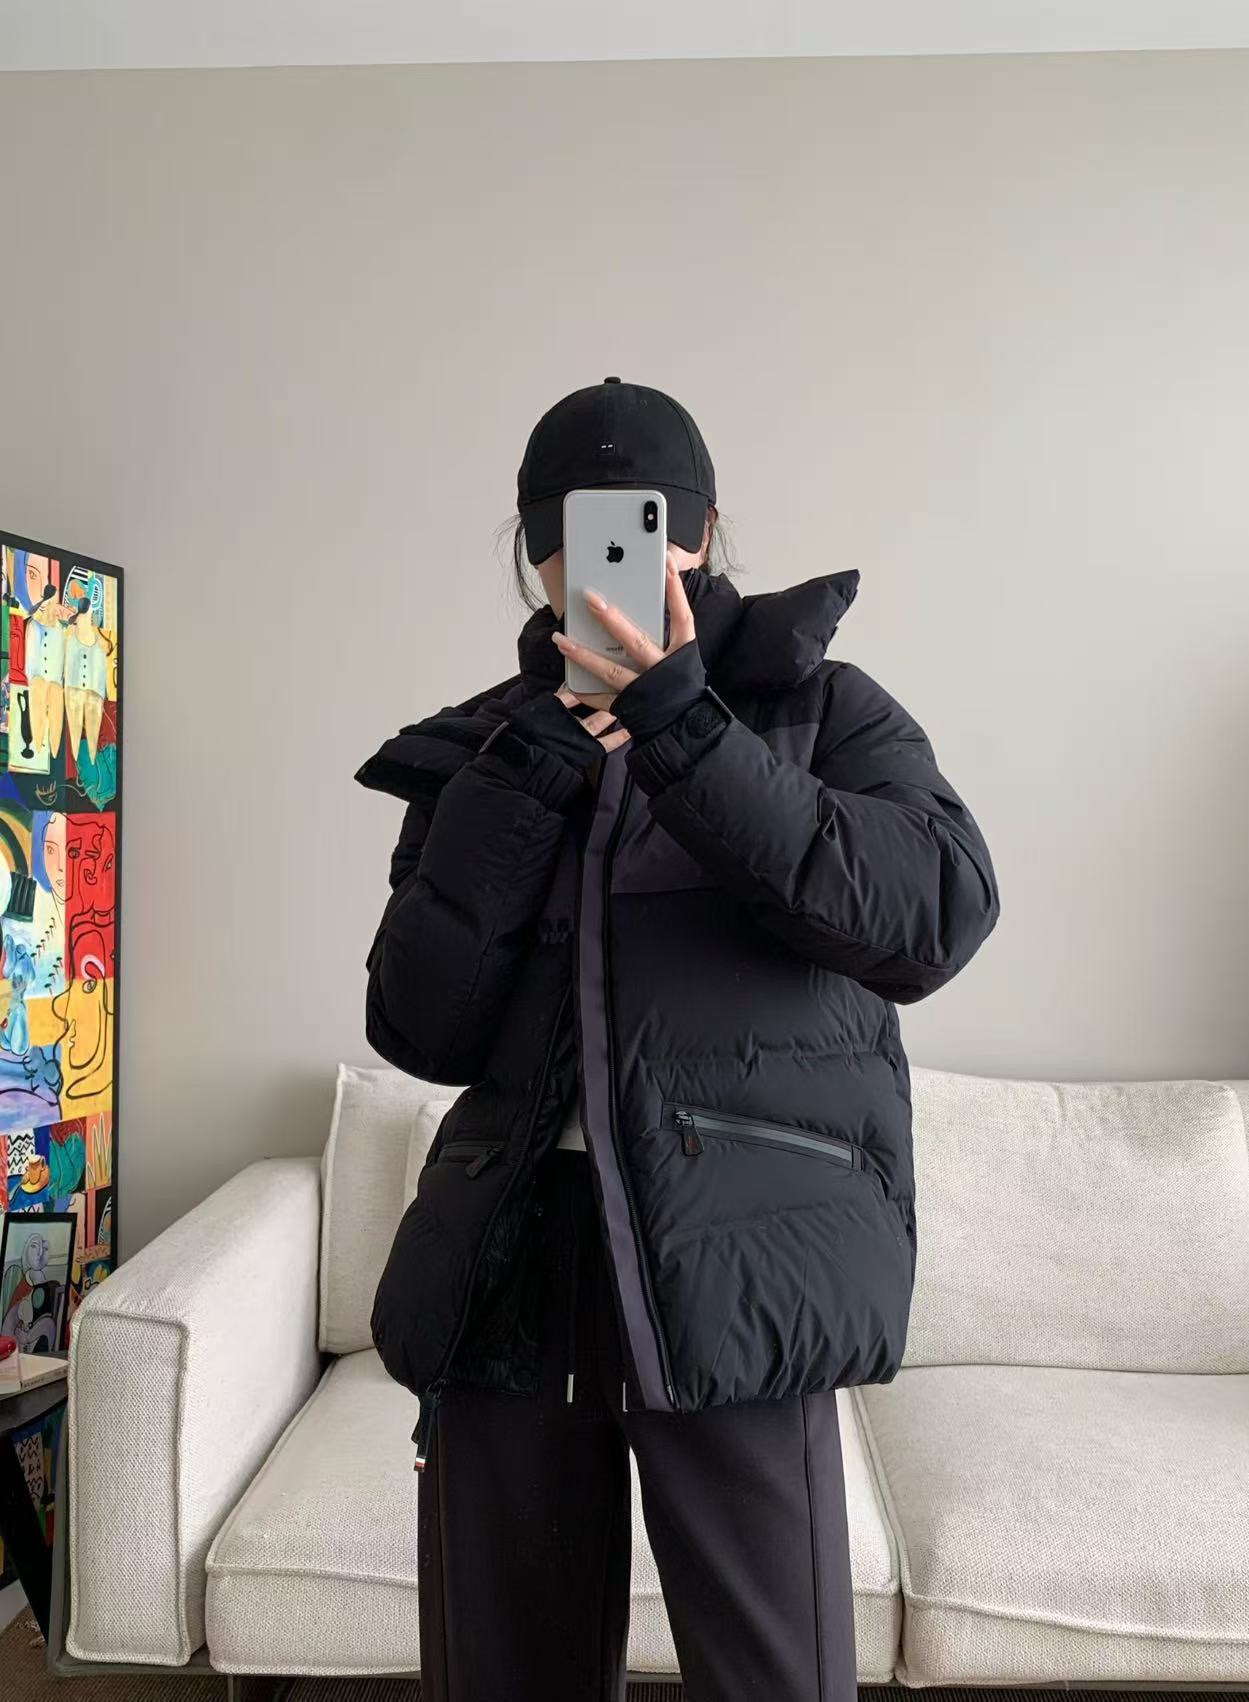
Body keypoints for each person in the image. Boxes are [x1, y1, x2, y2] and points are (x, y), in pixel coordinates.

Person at [353, 376, 1001, 1702]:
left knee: (775, 1679)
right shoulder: (485, 749)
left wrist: (685, 730)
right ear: (536, 553)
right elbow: (417, 1023)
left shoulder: (821, 709)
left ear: (699, 532)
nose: (608, 558)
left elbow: (934, 913)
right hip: (512, 1265)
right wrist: (532, 768)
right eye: (572, 529)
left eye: (643, 522)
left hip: (742, 1254)